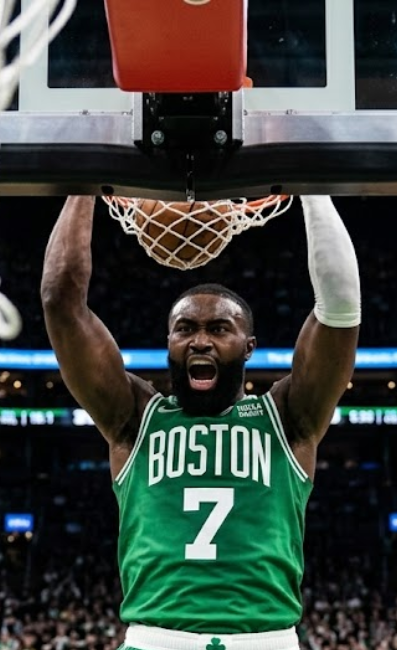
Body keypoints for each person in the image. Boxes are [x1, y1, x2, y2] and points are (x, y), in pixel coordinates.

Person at [41, 195, 360, 650]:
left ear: (248, 346)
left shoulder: (289, 418)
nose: (200, 341)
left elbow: (340, 308)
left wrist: (312, 190)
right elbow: (61, 302)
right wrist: (83, 187)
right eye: (185, 329)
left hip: (266, 639)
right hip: (156, 639)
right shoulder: (134, 418)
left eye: (218, 329)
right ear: (168, 341)